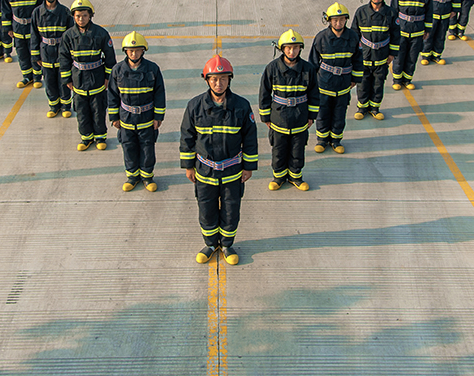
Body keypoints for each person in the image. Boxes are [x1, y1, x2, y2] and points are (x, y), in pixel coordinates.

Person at [180, 56, 258, 266]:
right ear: (206, 80)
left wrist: (248, 167)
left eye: (223, 78)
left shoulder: (242, 106)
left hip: (232, 172)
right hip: (205, 172)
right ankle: (210, 244)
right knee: (207, 210)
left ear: (230, 79)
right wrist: (188, 166)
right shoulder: (194, 106)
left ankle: (226, 245)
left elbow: (250, 138)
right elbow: (187, 137)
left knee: (231, 211)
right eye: (214, 79)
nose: (218, 83)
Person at [259, 29, 319, 191]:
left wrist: (311, 116)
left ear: (300, 48)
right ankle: (278, 177)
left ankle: (295, 176)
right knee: (278, 150)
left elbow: (314, 94)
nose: (292, 51)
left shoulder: (308, 69)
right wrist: (266, 117)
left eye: (295, 48)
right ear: (282, 49)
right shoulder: (272, 68)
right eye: (288, 48)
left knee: (297, 150)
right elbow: (264, 93)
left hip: (300, 118)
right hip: (279, 119)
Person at [108, 32, 166, 192]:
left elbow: (159, 94)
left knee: (147, 149)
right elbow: (112, 95)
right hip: (126, 119)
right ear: (125, 51)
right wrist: (114, 117)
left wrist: (158, 117)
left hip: (146, 119)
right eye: (131, 50)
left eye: (137, 50)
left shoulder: (153, 69)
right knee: (129, 148)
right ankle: (132, 177)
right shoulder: (117, 70)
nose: (134, 54)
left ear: (143, 50)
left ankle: (147, 177)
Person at [59, 0, 116, 151]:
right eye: (78, 16)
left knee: (98, 111)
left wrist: (108, 78)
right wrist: (67, 79)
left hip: (97, 80)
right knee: (82, 113)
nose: (81, 19)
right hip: (78, 81)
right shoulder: (68, 36)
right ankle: (86, 138)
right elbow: (64, 59)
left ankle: (100, 137)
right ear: (73, 16)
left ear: (90, 15)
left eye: (84, 15)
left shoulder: (101, 33)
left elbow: (110, 58)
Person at [309, 3, 363, 154]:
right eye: (335, 20)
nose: (338, 23)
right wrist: (312, 84)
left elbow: (358, 59)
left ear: (346, 20)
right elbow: (313, 63)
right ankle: (322, 140)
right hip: (324, 85)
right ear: (329, 20)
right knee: (323, 113)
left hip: (343, 85)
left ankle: (336, 140)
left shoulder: (353, 37)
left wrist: (355, 79)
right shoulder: (321, 38)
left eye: (341, 19)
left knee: (339, 114)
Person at [352, 0, 398, 120]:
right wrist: (354, 55)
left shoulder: (391, 13)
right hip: (364, 57)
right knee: (363, 84)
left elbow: (396, 35)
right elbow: (354, 34)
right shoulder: (361, 12)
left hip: (381, 57)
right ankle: (362, 108)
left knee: (378, 84)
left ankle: (375, 108)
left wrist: (392, 54)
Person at [31, 0, 74, 118]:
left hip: (62, 52)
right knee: (49, 82)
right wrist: (36, 56)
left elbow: (71, 35)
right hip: (46, 53)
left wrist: (71, 55)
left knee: (64, 80)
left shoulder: (65, 12)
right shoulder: (37, 12)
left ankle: (66, 106)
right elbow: (34, 36)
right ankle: (54, 106)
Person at [390, 0, 432, 91]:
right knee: (399, 56)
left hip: (417, 31)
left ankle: (407, 80)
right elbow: (393, 12)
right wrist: (393, 31)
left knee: (412, 57)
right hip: (402, 30)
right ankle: (397, 80)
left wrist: (427, 29)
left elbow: (429, 12)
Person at [1, 0, 41, 88]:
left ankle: (37, 77)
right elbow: (5, 10)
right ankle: (27, 77)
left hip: (32, 28)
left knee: (34, 52)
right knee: (22, 54)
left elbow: (41, 10)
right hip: (17, 28)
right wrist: (8, 28)